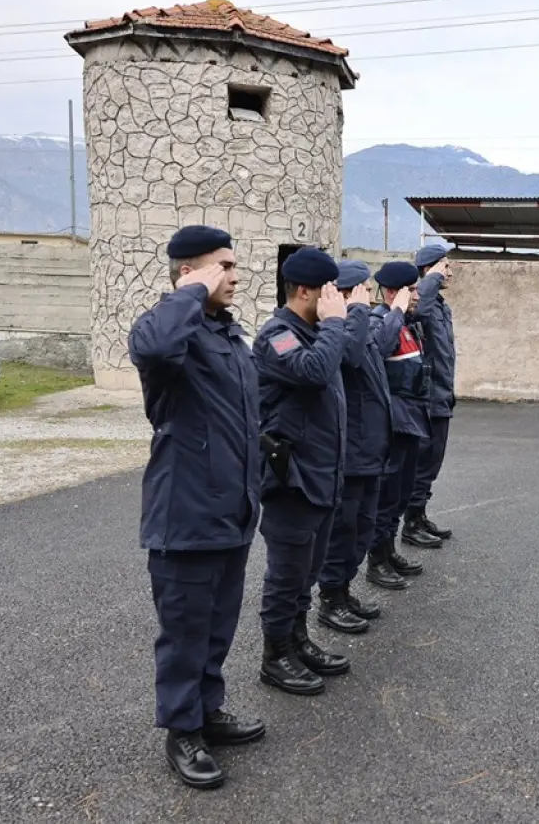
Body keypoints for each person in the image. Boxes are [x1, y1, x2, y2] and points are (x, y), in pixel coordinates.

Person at [128, 225, 265, 790]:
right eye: (222, 267)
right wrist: (190, 290)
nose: (234, 277)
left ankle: (207, 711)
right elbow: (153, 344)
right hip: (184, 514)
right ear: (190, 272)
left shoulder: (227, 337)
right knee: (184, 630)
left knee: (216, 627)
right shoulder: (168, 334)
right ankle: (182, 729)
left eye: (233, 267)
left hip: (230, 511)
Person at [255, 246, 364, 697]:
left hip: (321, 475)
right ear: (306, 291)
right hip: (291, 480)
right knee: (287, 573)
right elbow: (317, 373)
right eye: (330, 292)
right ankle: (275, 654)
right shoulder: (277, 336)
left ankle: (299, 640)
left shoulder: (317, 332)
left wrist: (332, 325)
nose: (336, 300)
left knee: (308, 569)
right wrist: (338, 321)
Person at [314, 260, 416, 633]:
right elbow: (352, 355)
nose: (367, 298)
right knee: (344, 529)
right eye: (359, 292)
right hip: (353, 452)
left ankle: (343, 591)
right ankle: (331, 598)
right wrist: (354, 311)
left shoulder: (362, 327)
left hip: (373, 448)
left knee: (361, 527)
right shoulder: (339, 329)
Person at [368, 261, 437, 588]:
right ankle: (377, 560)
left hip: (412, 420)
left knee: (401, 494)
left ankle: (390, 549)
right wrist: (395, 313)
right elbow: (377, 350)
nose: (417, 295)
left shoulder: (408, 324)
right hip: (393, 424)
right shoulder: (380, 321)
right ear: (393, 292)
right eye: (411, 290)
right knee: (387, 494)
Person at [403, 244, 456, 547]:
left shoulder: (440, 304)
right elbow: (418, 310)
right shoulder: (423, 301)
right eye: (444, 266)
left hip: (441, 392)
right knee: (423, 462)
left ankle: (419, 515)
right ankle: (410, 524)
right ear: (429, 270)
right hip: (427, 396)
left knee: (433, 461)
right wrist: (431, 279)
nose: (449, 272)